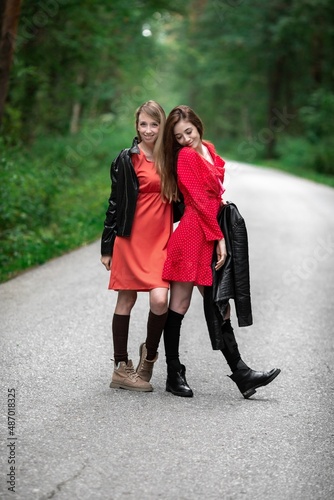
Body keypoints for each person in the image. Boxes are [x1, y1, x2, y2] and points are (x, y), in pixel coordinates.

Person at [159, 105, 281, 398]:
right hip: (193, 235)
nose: (185, 139)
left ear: (198, 126)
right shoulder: (186, 157)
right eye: (178, 136)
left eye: (189, 131)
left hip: (209, 230)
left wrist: (222, 205)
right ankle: (173, 372)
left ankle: (242, 374)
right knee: (179, 305)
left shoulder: (209, 150)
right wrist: (219, 239)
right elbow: (198, 201)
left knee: (218, 304)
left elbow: (212, 193)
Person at [101, 100, 172, 392]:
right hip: (130, 240)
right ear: (136, 126)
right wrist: (107, 246)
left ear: (162, 126)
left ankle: (149, 355)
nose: (148, 130)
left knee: (159, 300)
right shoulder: (126, 159)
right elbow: (115, 203)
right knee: (126, 301)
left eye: (154, 124)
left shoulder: (172, 158)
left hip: (160, 241)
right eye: (143, 124)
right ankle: (121, 367)